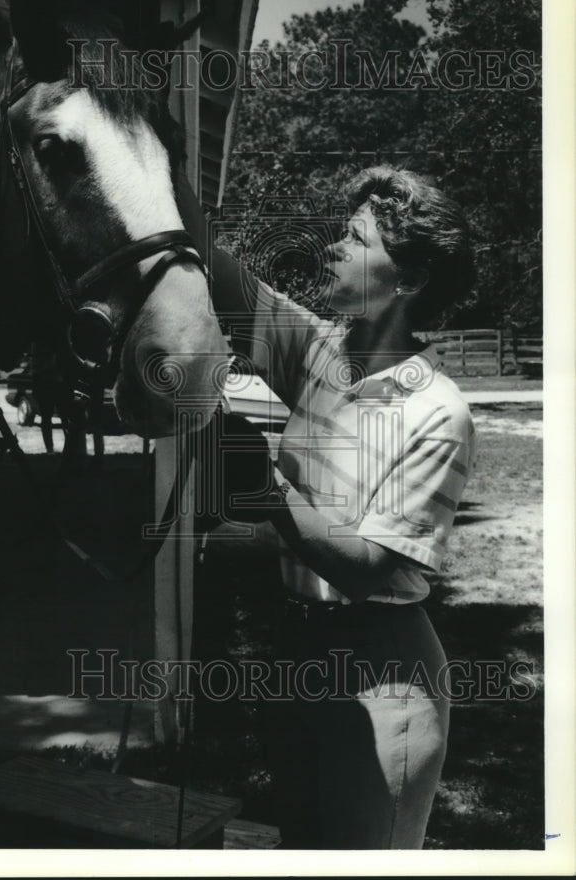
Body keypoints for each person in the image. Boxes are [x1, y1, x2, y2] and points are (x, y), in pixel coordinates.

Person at [176, 164, 477, 850]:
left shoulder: (435, 410)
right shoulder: (318, 349)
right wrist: (150, 136)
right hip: (294, 650)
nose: (333, 249)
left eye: (354, 237)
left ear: (410, 278)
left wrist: (264, 490)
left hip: (382, 674)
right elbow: (213, 266)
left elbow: (368, 568)